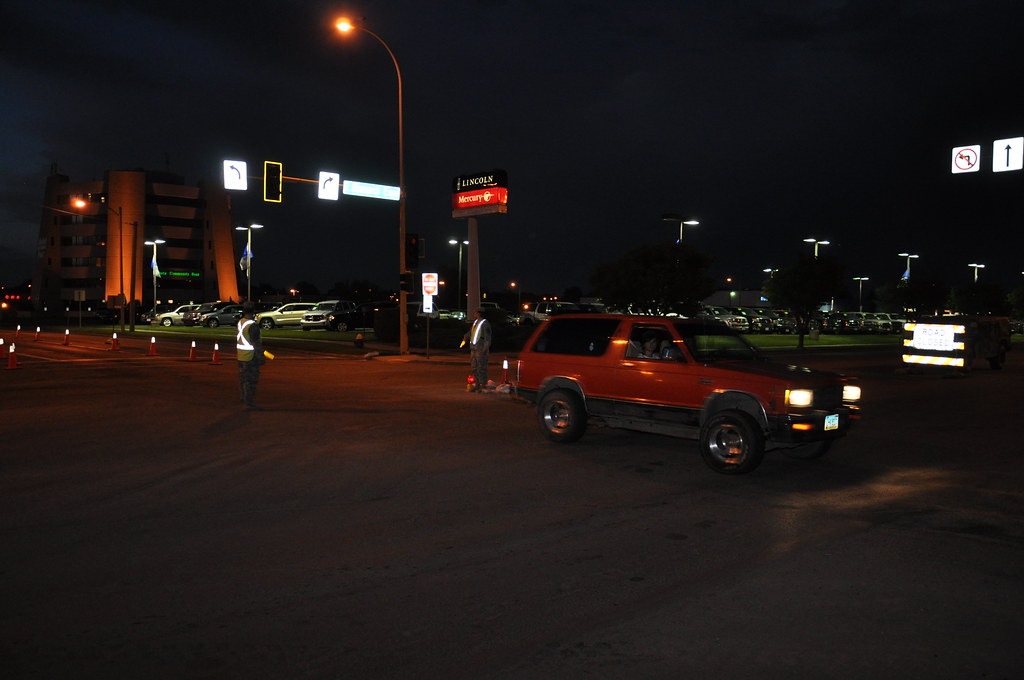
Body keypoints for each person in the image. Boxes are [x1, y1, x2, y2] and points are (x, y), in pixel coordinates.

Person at [236, 301, 265, 410]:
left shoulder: (240, 322)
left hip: (241, 356)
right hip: (251, 357)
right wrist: (261, 356)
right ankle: (249, 403)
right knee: (251, 380)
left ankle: (243, 397)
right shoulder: (252, 325)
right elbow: (255, 343)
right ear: (253, 311)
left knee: (243, 379)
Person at [462, 309, 492, 391]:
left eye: (475, 312)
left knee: (481, 367)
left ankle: (483, 385)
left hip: (481, 349)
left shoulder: (485, 323)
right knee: (474, 367)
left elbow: (487, 337)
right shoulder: (475, 323)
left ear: (479, 313)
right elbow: (471, 332)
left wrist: (485, 349)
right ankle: (477, 384)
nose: (474, 313)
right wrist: (465, 337)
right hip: (474, 349)